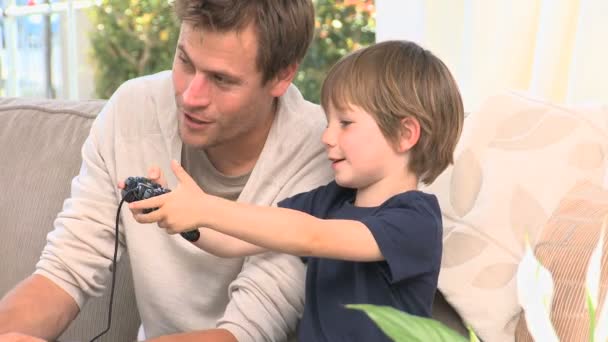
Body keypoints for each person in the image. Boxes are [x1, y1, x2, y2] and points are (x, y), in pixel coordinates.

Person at [0, 1, 334, 341]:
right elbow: (65, 270)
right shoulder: (133, 110)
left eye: (221, 79)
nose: (191, 97)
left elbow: (248, 332)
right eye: (185, 61)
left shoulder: (322, 152)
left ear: (282, 76)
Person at [128, 40, 465, 341]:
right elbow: (235, 240)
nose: (327, 137)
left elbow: (313, 237)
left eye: (345, 123)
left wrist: (206, 208)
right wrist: (178, 212)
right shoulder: (330, 200)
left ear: (406, 134)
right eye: (329, 122)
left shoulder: (414, 221)